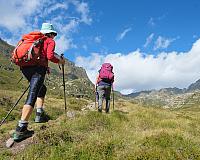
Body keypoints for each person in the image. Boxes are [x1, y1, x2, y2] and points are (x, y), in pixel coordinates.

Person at [13, 23, 65, 141]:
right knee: (33, 93)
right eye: (53, 35)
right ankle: (21, 128)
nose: (54, 37)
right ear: (50, 33)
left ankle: (39, 114)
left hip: (24, 67)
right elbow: (50, 56)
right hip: (37, 70)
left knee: (42, 89)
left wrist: (45, 67)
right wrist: (60, 62)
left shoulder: (33, 39)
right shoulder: (49, 41)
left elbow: (40, 55)